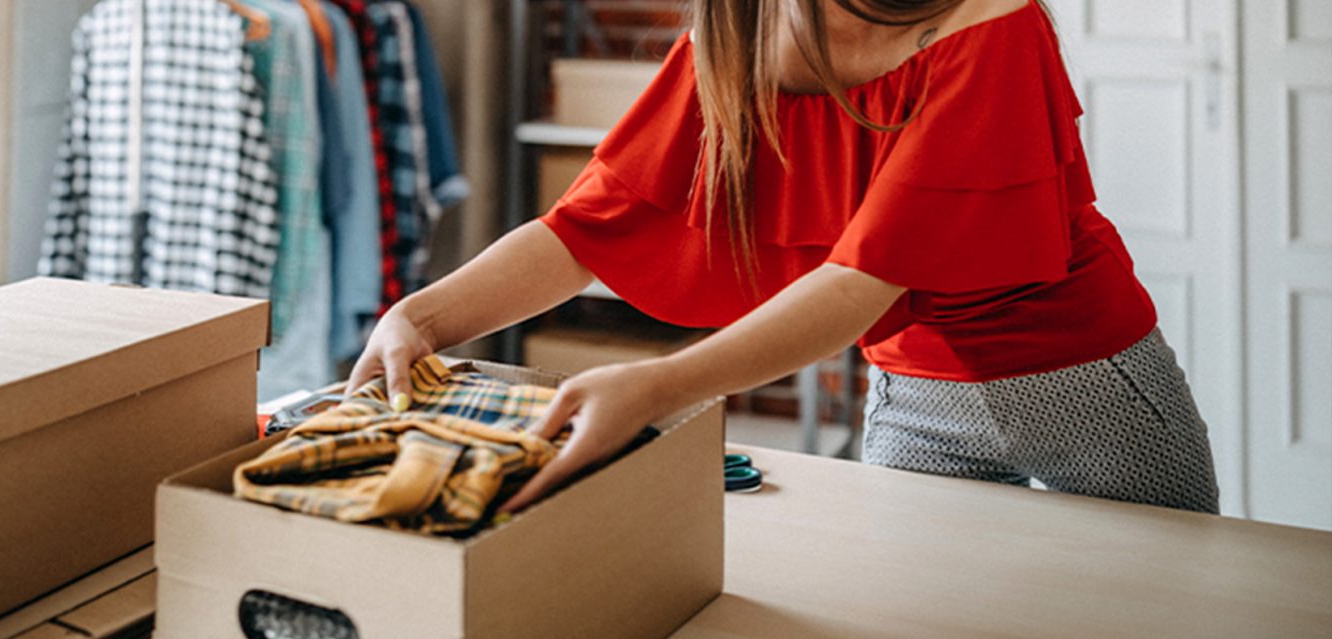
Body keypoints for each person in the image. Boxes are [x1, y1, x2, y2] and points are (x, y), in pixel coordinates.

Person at [344, 0, 1220, 515]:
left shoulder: (995, 22)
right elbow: (588, 229)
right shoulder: (733, 36)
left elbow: (860, 281)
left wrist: (658, 388)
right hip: (914, 397)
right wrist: (419, 316)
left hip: (1087, 384)